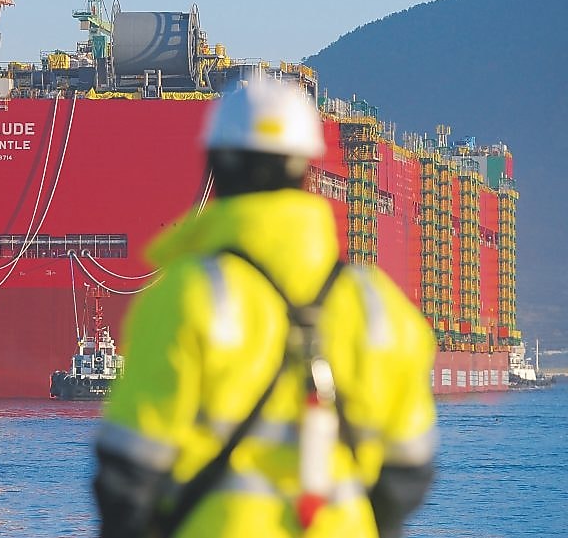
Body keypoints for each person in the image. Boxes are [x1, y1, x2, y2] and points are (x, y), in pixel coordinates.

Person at [94, 76, 436, 538]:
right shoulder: (376, 304)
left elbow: (127, 473)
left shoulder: (186, 294)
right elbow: (410, 469)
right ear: (309, 170)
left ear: (216, 163)